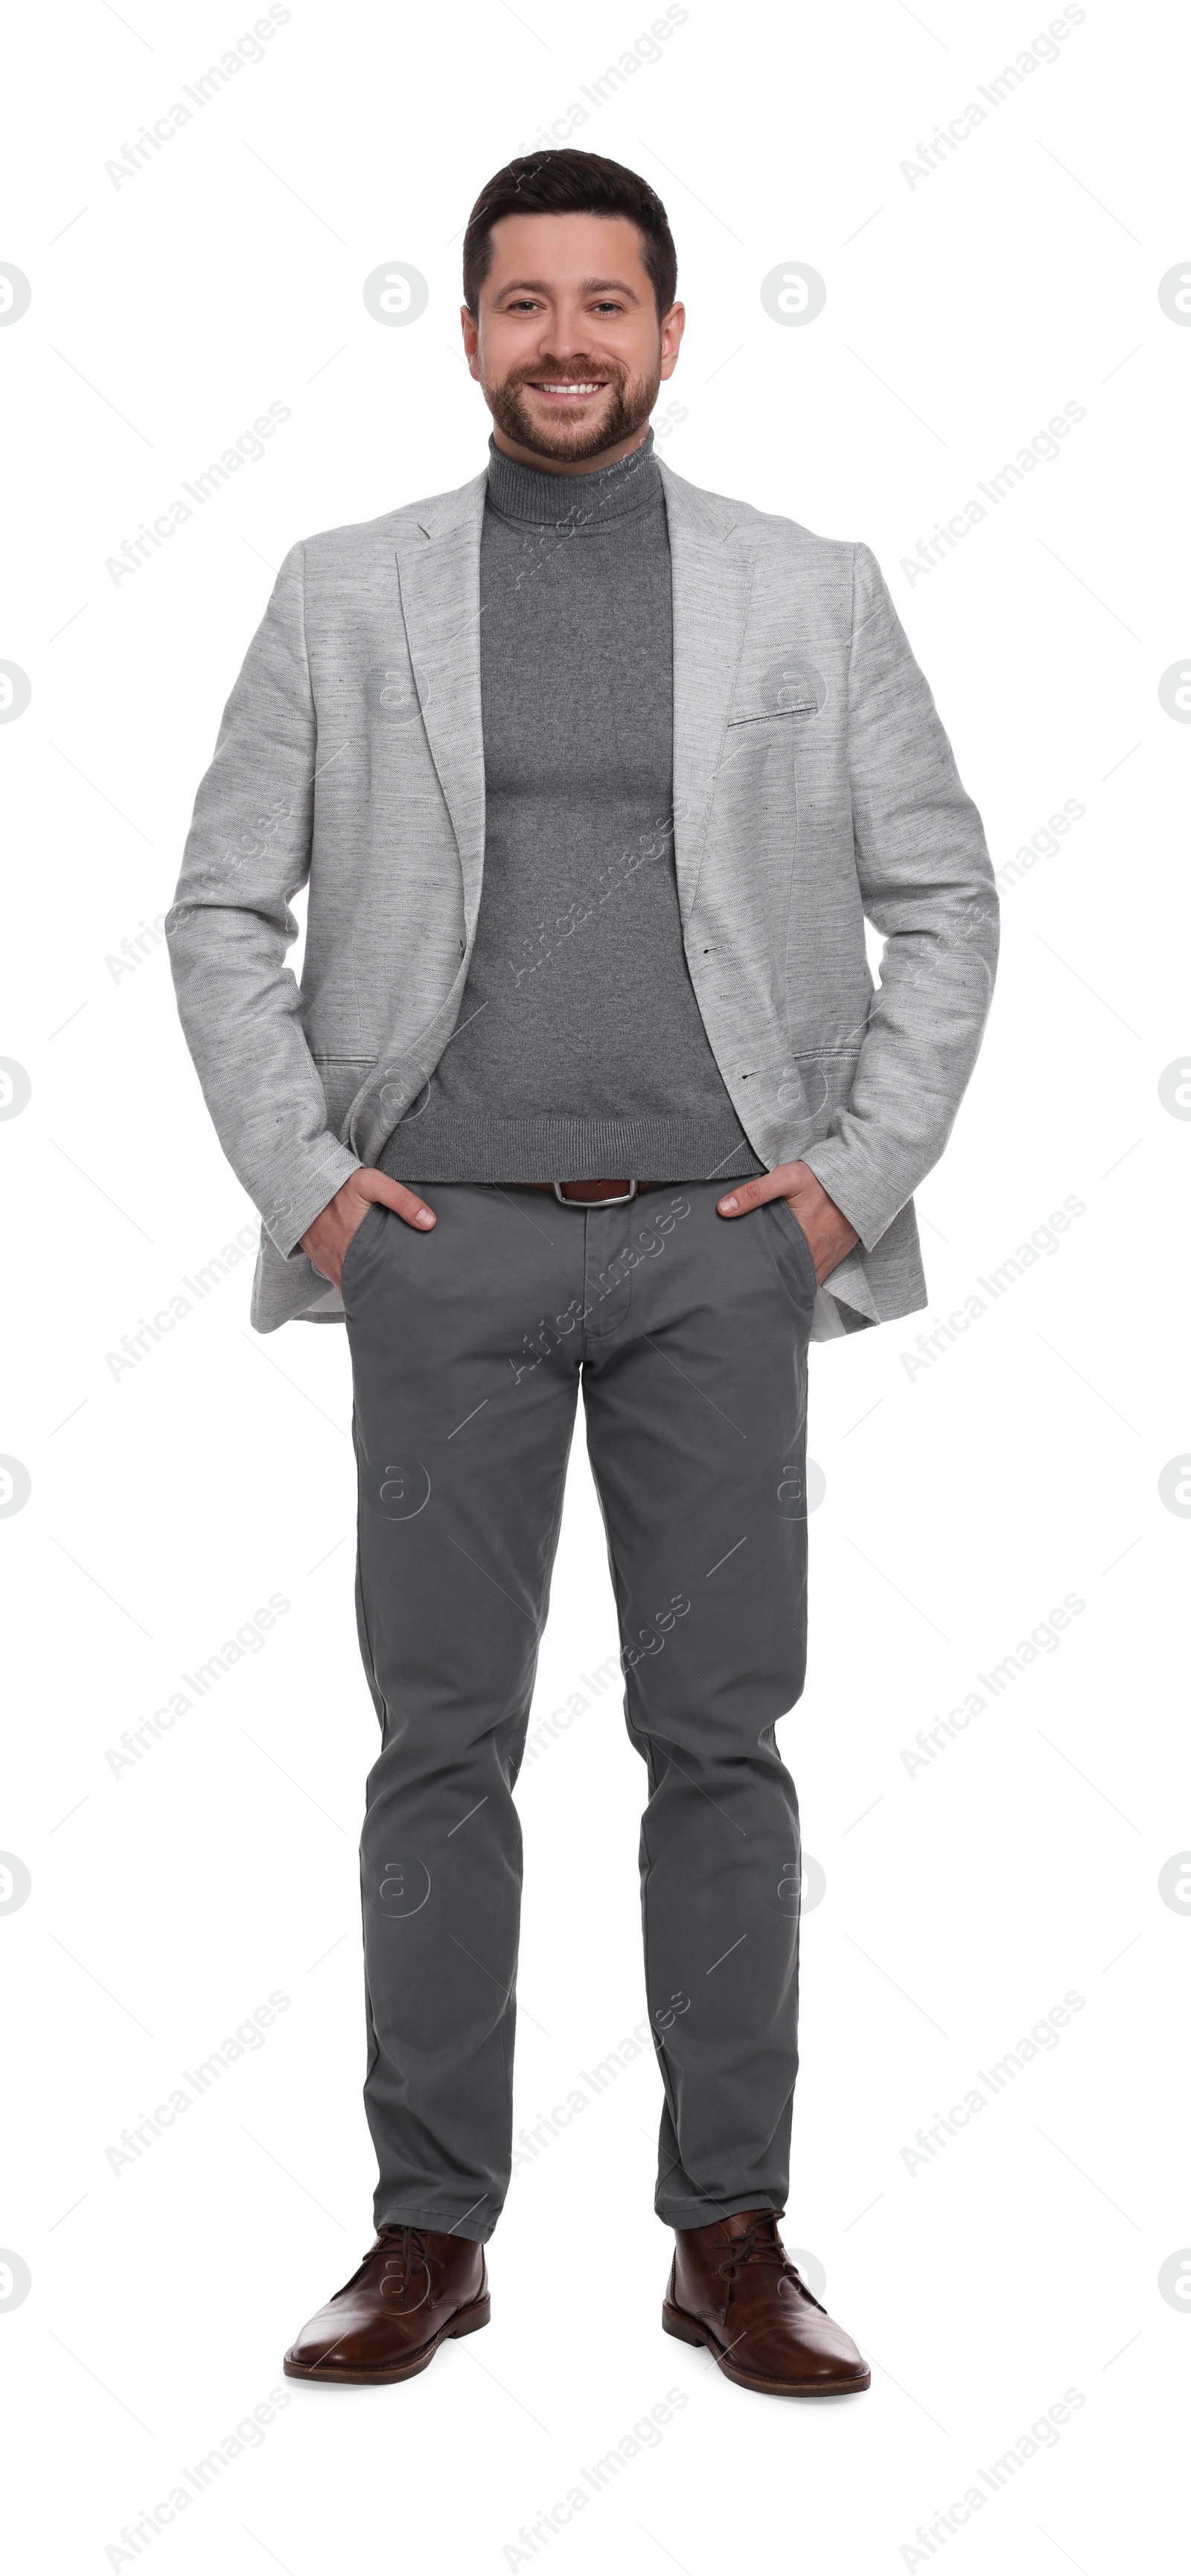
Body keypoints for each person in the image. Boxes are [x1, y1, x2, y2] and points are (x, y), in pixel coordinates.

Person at [167, 147, 997, 2398]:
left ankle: (729, 2230)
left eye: (604, 304)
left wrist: (842, 1187)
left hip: (725, 1259)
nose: (565, 342)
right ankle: (428, 2230)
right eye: (522, 305)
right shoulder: (342, 593)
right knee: (438, 1750)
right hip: (435, 1252)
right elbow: (220, 906)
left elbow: (949, 897)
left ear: (670, 330)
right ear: (464, 335)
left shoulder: (807, 595)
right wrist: (318, 1190)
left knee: (720, 1744)